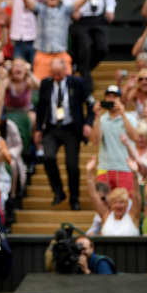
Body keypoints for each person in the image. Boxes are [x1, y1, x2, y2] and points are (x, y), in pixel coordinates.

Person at [34, 58, 94, 210]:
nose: (57, 77)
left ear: (65, 70)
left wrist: (88, 123)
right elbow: (41, 107)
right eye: (54, 74)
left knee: (72, 165)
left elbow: (91, 103)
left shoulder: (77, 82)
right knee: (48, 157)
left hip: (71, 128)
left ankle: (74, 199)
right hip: (52, 128)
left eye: (59, 74)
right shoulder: (46, 84)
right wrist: (38, 129)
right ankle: (58, 192)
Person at [61, 0, 116, 88]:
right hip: (81, 19)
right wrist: (73, 9)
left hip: (97, 17)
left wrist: (110, 8)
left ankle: (83, 70)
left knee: (102, 48)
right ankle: (86, 82)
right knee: (85, 47)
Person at [91, 86, 138, 192]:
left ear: (120, 99)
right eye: (108, 96)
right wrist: (97, 116)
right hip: (104, 168)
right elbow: (95, 141)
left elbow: (135, 137)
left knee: (125, 203)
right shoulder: (101, 119)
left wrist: (123, 115)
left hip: (125, 167)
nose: (111, 99)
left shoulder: (130, 118)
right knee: (103, 203)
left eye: (114, 96)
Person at [86, 157, 140, 237]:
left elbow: (137, 196)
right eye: (115, 202)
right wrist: (89, 171)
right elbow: (93, 195)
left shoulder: (132, 216)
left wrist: (135, 174)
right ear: (111, 204)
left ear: (127, 204)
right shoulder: (106, 216)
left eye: (122, 202)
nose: (118, 205)